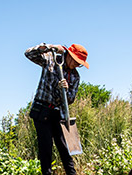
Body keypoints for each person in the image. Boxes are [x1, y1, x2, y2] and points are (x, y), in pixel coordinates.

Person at [24, 43, 89, 175]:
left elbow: (70, 99)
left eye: (79, 63)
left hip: (58, 113)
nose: (77, 65)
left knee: (65, 149)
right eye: (76, 61)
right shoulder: (51, 59)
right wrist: (48, 47)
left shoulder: (75, 76)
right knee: (46, 148)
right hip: (42, 110)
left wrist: (65, 90)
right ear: (69, 55)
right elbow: (28, 54)